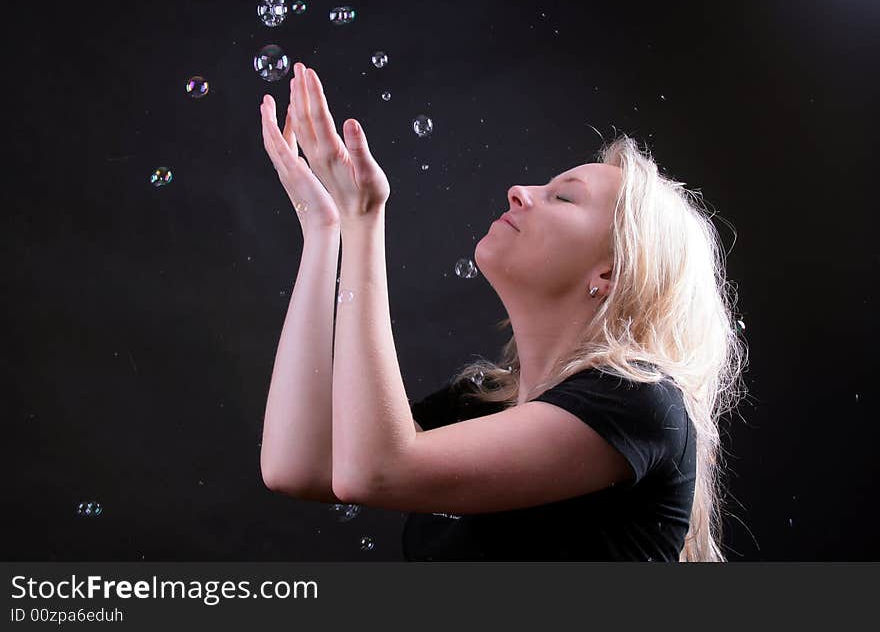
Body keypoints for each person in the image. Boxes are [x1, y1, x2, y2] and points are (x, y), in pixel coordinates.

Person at [258, 62, 748, 561]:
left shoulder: (639, 403)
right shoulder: (481, 402)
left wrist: (365, 220)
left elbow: (376, 469)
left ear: (611, 272)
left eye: (562, 196)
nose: (520, 190)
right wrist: (325, 229)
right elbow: (299, 466)